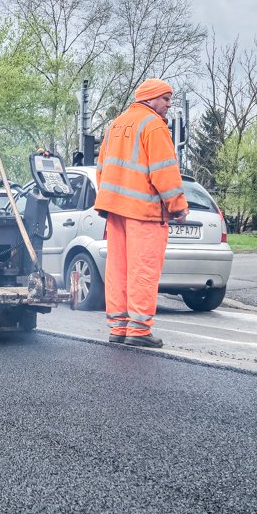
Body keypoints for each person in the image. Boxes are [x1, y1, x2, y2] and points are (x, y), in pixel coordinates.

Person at [93, 78, 188, 348]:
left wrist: (110, 199)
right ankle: (138, 330)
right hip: (144, 211)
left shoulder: (116, 124)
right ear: (149, 97)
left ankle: (118, 327)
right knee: (142, 269)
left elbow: (102, 168)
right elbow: (164, 171)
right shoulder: (153, 125)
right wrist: (177, 205)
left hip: (115, 210)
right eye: (165, 99)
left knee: (118, 270)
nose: (169, 105)